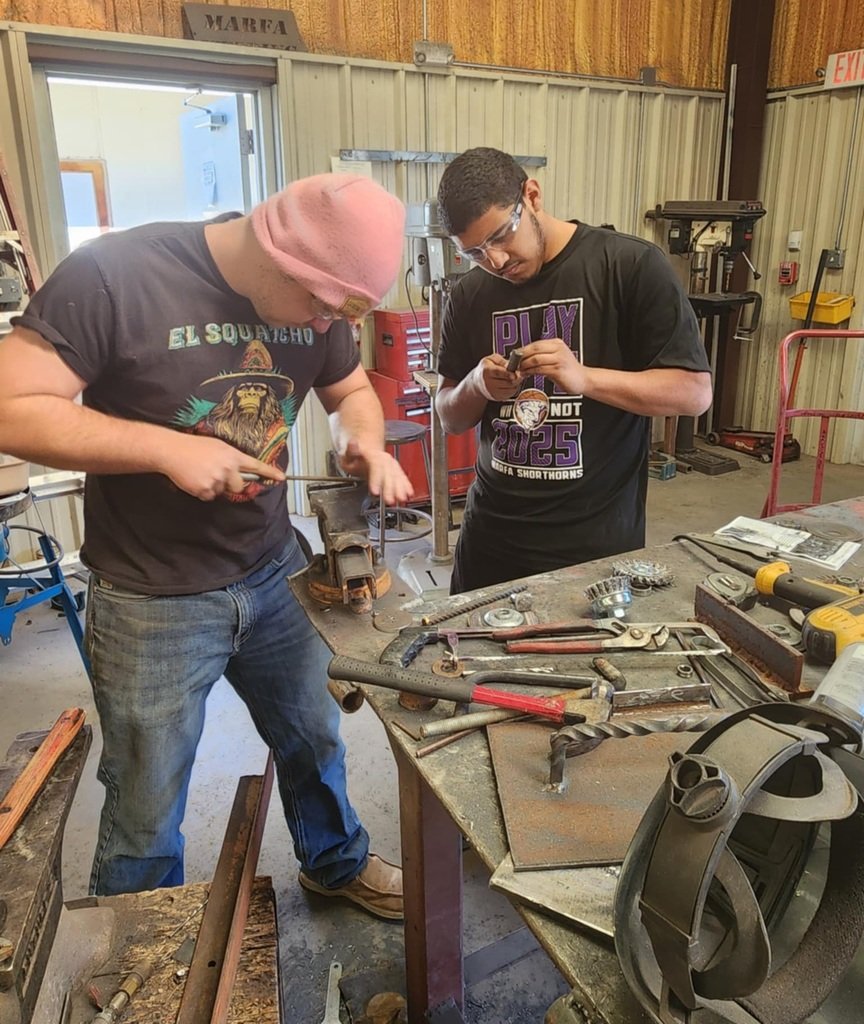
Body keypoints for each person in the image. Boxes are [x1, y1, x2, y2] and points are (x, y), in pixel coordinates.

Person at [0, 173, 411, 920]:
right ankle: (143, 936)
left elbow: (348, 391)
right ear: (274, 250)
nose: (325, 325)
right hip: (150, 598)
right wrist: (165, 449)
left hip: (274, 573)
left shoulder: (322, 304)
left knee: (315, 740)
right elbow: (9, 408)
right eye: (320, 304)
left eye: (339, 312)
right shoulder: (114, 277)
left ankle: (334, 861)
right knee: (146, 793)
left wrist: (363, 443)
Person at [435, 147, 713, 594]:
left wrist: (584, 378)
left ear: (532, 195)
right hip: (489, 543)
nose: (497, 262)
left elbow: (693, 392)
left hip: (594, 549)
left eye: (502, 236)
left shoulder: (630, 266)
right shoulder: (469, 296)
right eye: (475, 253)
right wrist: (476, 385)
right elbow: (449, 416)